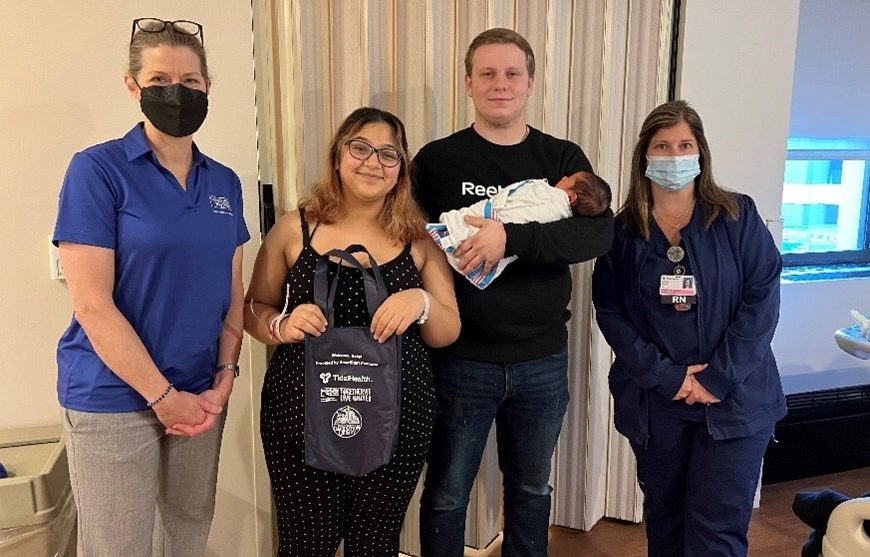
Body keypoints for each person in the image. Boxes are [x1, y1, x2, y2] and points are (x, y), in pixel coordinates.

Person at [413, 28, 614, 557]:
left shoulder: (561, 158)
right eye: (488, 73)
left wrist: (510, 236)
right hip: (461, 357)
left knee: (531, 489)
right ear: (468, 84)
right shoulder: (438, 160)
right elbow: (406, 234)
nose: (500, 84)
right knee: (448, 492)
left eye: (512, 73)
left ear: (530, 83)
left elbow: (596, 232)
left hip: (542, 359)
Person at [53, 18, 248, 556]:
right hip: (115, 396)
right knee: (119, 548)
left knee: (187, 535)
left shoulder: (224, 182)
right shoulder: (98, 171)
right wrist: (162, 398)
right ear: (133, 85)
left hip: (201, 393)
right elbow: (92, 305)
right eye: (160, 78)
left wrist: (225, 375)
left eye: (190, 82)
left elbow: (231, 293)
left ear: (208, 87)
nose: (176, 93)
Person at [244, 107, 461, 556]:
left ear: (401, 170)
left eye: (388, 154)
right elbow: (253, 308)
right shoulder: (293, 227)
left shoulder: (419, 239)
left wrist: (420, 303)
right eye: (360, 147)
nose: (372, 162)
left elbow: (448, 331)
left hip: (396, 419)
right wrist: (282, 326)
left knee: (375, 544)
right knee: (306, 544)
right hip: (299, 418)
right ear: (337, 156)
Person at [591, 100, 786, 557]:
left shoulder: (737, 216)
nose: (674, 156)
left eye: (685, 145)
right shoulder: (623, 232)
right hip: (658, 403)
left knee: (715, 529)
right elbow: (610, 310)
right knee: (665, 520)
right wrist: (668, 378)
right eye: (662, 146)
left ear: (701, 154)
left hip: (735, 401)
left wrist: (715, 378)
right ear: (644, 156)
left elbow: (762, 299)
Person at [426, 171, 611, 288]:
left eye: (568, 179)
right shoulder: (436, 156)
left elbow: (600, 234)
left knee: (465, 225)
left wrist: (508, 237)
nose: (562, 178)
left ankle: (452, 234)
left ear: (571, 198)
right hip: (460, 332)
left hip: (542, 340)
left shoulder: (562, 159)